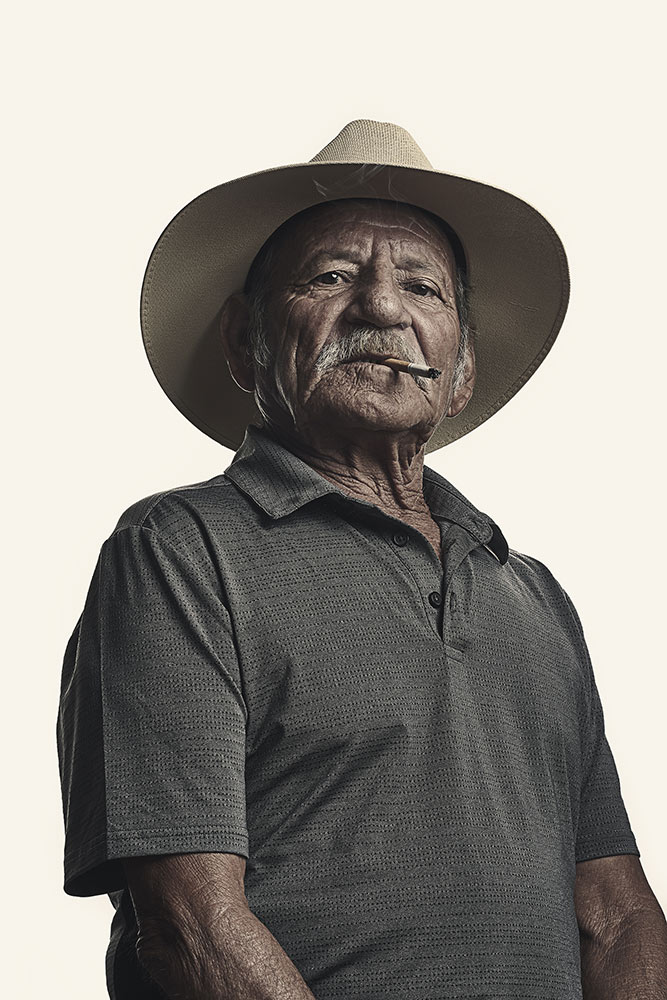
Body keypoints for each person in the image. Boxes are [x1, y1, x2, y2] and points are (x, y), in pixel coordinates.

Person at [57, 120, 667, 1000]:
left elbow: (615, 913)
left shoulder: (530, 594)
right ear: (244, 341)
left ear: (458, 370)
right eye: (331, 276)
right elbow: (188, 926)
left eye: (422, 286)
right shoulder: (180, 551)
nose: (382, 307)